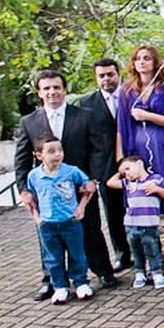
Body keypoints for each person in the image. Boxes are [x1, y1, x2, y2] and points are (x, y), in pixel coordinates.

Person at [16, 69, 115, 298]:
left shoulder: (84, 116)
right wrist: (24, 190)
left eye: (56, 87)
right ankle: (51, 280)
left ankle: (102, 270)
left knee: (91, 229)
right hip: (47, 194)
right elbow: (21, 159)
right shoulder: (29, 122)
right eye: (47, 88)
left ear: (64, 89)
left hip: (81, 189)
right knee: (48, 237)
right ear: (39, 92)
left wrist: (93, 179)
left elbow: (99, 151)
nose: (52, 92)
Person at [116, 45, 164, 276]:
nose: (142, 62)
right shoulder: (127, 90)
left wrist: (149, 116)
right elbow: (121, 125)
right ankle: (152, 254)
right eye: (138, 58)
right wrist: (122, 158)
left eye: (147, 58)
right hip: (137, 149)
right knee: (142, 202)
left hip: (163, 149)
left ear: (155, 62)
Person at [76, 58, 131, 273]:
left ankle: (148, 250)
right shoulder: (86, 104)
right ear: (96, 78)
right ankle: (122, 254)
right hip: (105, 166)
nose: (106, 79)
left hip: (133, 161)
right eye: (102, 75)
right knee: (113, 213)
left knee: (140, 206)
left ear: (118, 75)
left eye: (110, 74)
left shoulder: (130, 96)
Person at [26, 138, 96, 304]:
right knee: (53, 257)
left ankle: (81, 283)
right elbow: (29, 198)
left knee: (77, 254)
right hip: (47, 224)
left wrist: (81, 207)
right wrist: (36, 217)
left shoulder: (71, 172)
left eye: (60, 150)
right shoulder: (34, 176)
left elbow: (89, 187)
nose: (57, 155)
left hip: (70, 222)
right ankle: (59, 286)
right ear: (39, 155)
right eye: (51, 151)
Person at [106, 155, 164, 289]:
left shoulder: (155, 179)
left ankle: (156, 272)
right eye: (124, 172)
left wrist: (157, 190)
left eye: (128, 168)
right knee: (136, 251)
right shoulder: (129, 184)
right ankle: (140, 272)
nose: (127, 174)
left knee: (152, 248)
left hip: (149, 224)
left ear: (140, 163)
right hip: (132, 224)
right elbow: (110, 183)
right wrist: (120, 172)